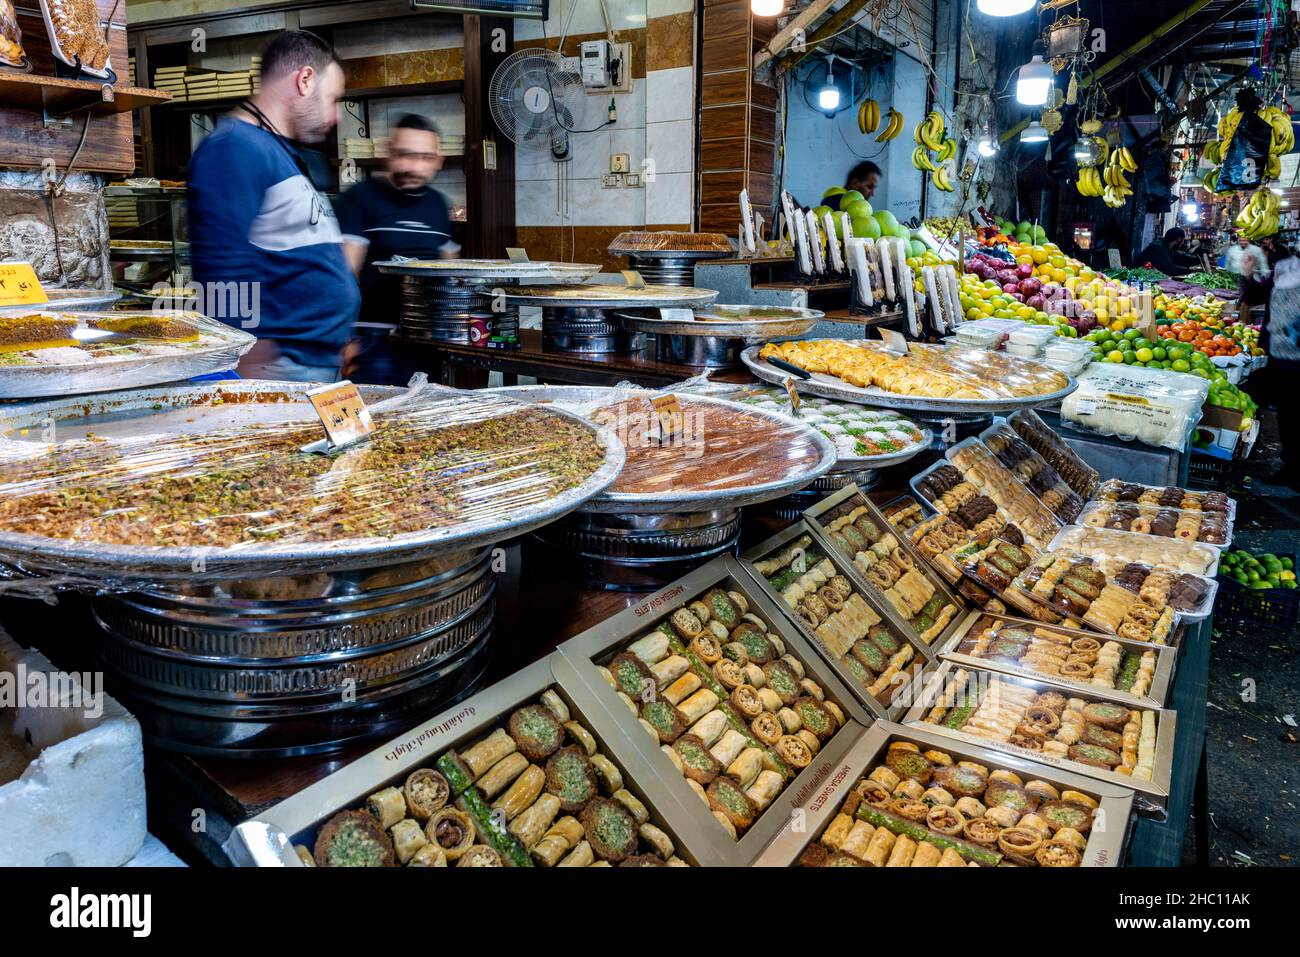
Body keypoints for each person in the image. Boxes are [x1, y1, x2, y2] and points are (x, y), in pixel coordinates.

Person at [188, 30, 358, 383]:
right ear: (305, 79)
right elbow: (220, 264)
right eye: (333, 98)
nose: (337, 115)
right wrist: (242, 358)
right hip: (276, 368)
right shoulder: (233, 147)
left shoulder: (277, 150)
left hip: (309, 361)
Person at [335, 114, 459, 384]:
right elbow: (345, 274)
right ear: (389, 152)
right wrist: (344, 338)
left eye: (425, 158)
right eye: (406, 155)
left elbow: (451, 273)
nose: (414, 166)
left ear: (438, 161)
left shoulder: (438, 205)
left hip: (427, 341)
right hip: (374, 341)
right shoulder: (360, 198)